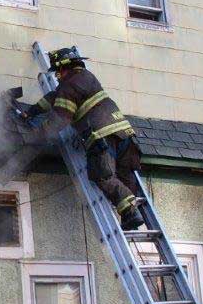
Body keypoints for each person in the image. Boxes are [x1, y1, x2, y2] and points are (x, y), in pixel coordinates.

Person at [20, 46, 145, 230]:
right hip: (125, 133)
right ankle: (131, 213)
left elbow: (60, 118)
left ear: (63, 68)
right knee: (124, 175)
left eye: (58, 73)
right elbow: (55, 97)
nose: (57, 77)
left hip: (102, 135)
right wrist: (33, 111)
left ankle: (130, 213)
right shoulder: (87, 77)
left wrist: (35, 135)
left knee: (103, 176)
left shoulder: (68, 85)